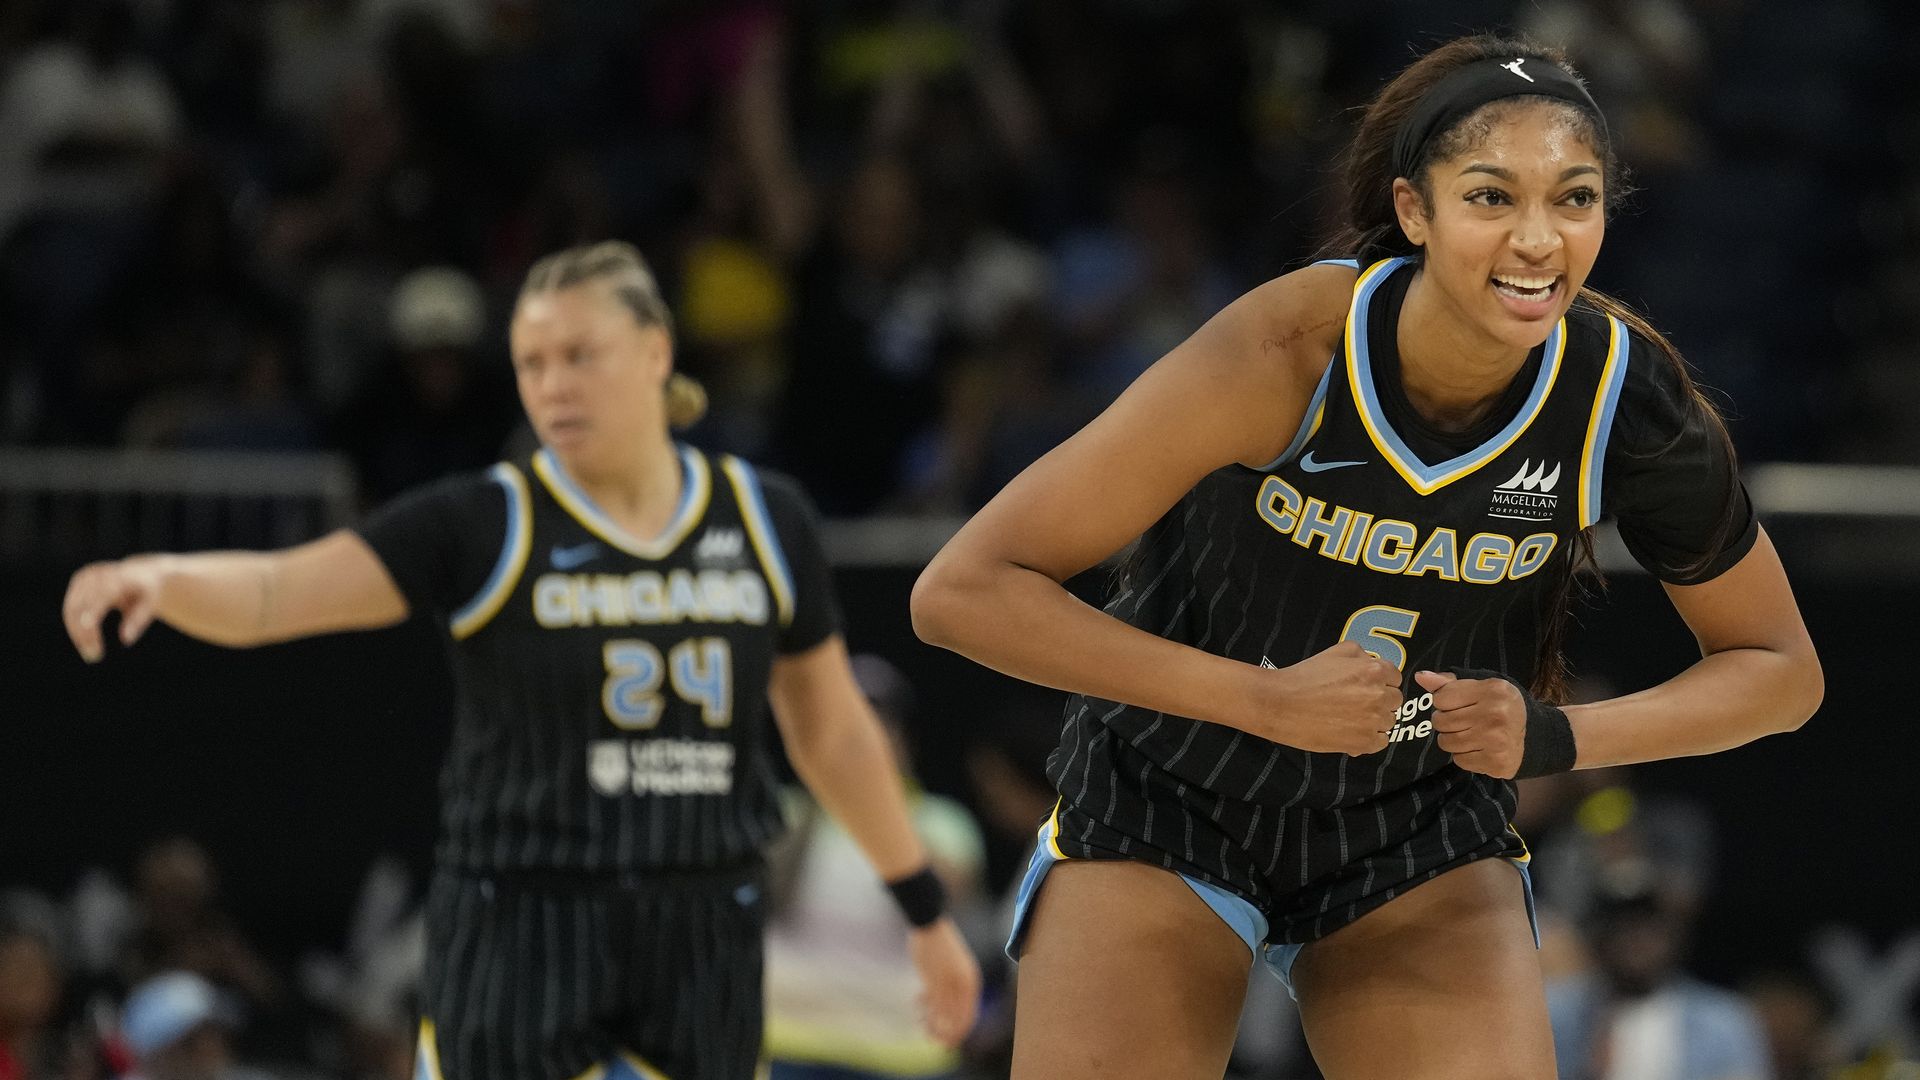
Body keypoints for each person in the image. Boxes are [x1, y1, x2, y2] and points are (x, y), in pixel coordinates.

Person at [910, 33, 1822, 1079]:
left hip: (1414, 827)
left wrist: (1557, 736)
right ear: (1413, 212)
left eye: (1573, 200)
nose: (1538, 240)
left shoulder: (1625, 401)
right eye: (1490, 198)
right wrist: (1261, 702)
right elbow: (964, 592)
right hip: (1171, 797)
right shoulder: (1288, 350)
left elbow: (1781, 675)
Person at [63, 240, 980, 1080]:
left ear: (656, 351)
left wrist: (923, 911)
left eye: (581, 354)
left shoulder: (764, 519)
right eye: (533, 364)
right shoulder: (483, 521)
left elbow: (833, 735)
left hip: (700, 923)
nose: (555, 385)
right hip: (522, 920)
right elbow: (278, 593)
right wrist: (164, 577)